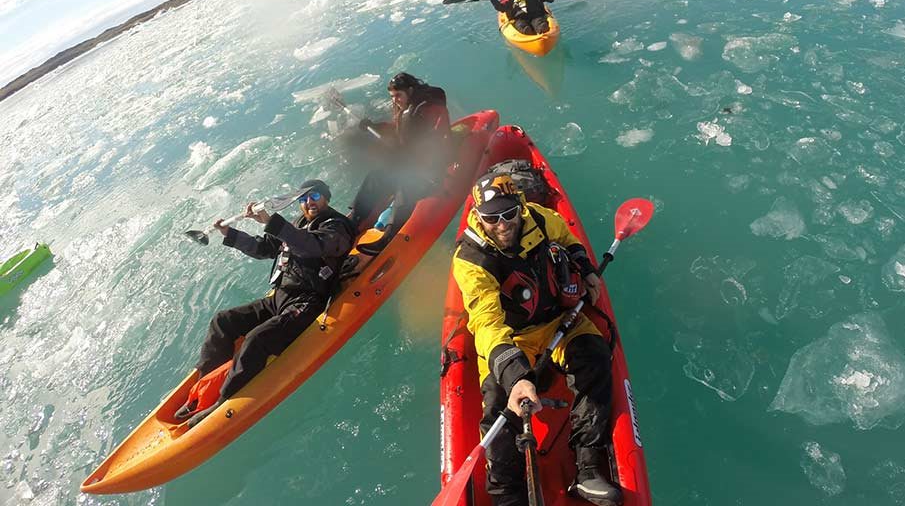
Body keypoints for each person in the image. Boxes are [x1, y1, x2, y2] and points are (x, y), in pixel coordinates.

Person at [452, 174, 621, 506]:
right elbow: (486, 324)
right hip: (513, 337)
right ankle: (507, 496)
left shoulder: (540, 218)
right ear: (479, 215)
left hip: (560, 320)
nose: (501, 225)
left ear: (520, 207)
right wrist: (515, 378)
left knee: (595, 357)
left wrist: (585, 269)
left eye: (508, 214)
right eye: (491, 218)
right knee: (500, 403)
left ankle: (587, 470)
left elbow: (568, 240)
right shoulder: (471, 260)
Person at [177, 179, 356, 427]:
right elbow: (265, 249)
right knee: (223, 321)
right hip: (280, 297)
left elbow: (313, 247)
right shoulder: (299, 223)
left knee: (257, 339)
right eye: (303, 199)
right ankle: (204, 387)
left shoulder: (337, 227)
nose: (309, 203)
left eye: (314, 196)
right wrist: (231, 234)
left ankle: (224, 400)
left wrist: (271, 222)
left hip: (306, 302)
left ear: (326, 197)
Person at [348, 72, 450, 260]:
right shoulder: (407, 110)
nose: (395, 100)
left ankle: (388, 237)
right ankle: (354, 219)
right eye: (392, 97)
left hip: (431, 169)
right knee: (375, 176)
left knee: (405, 184)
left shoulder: (428, 109)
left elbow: (436, 139)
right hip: (412, 163)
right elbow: (398, 129)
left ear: (410, 90)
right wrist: (374, 126)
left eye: (398, 96)